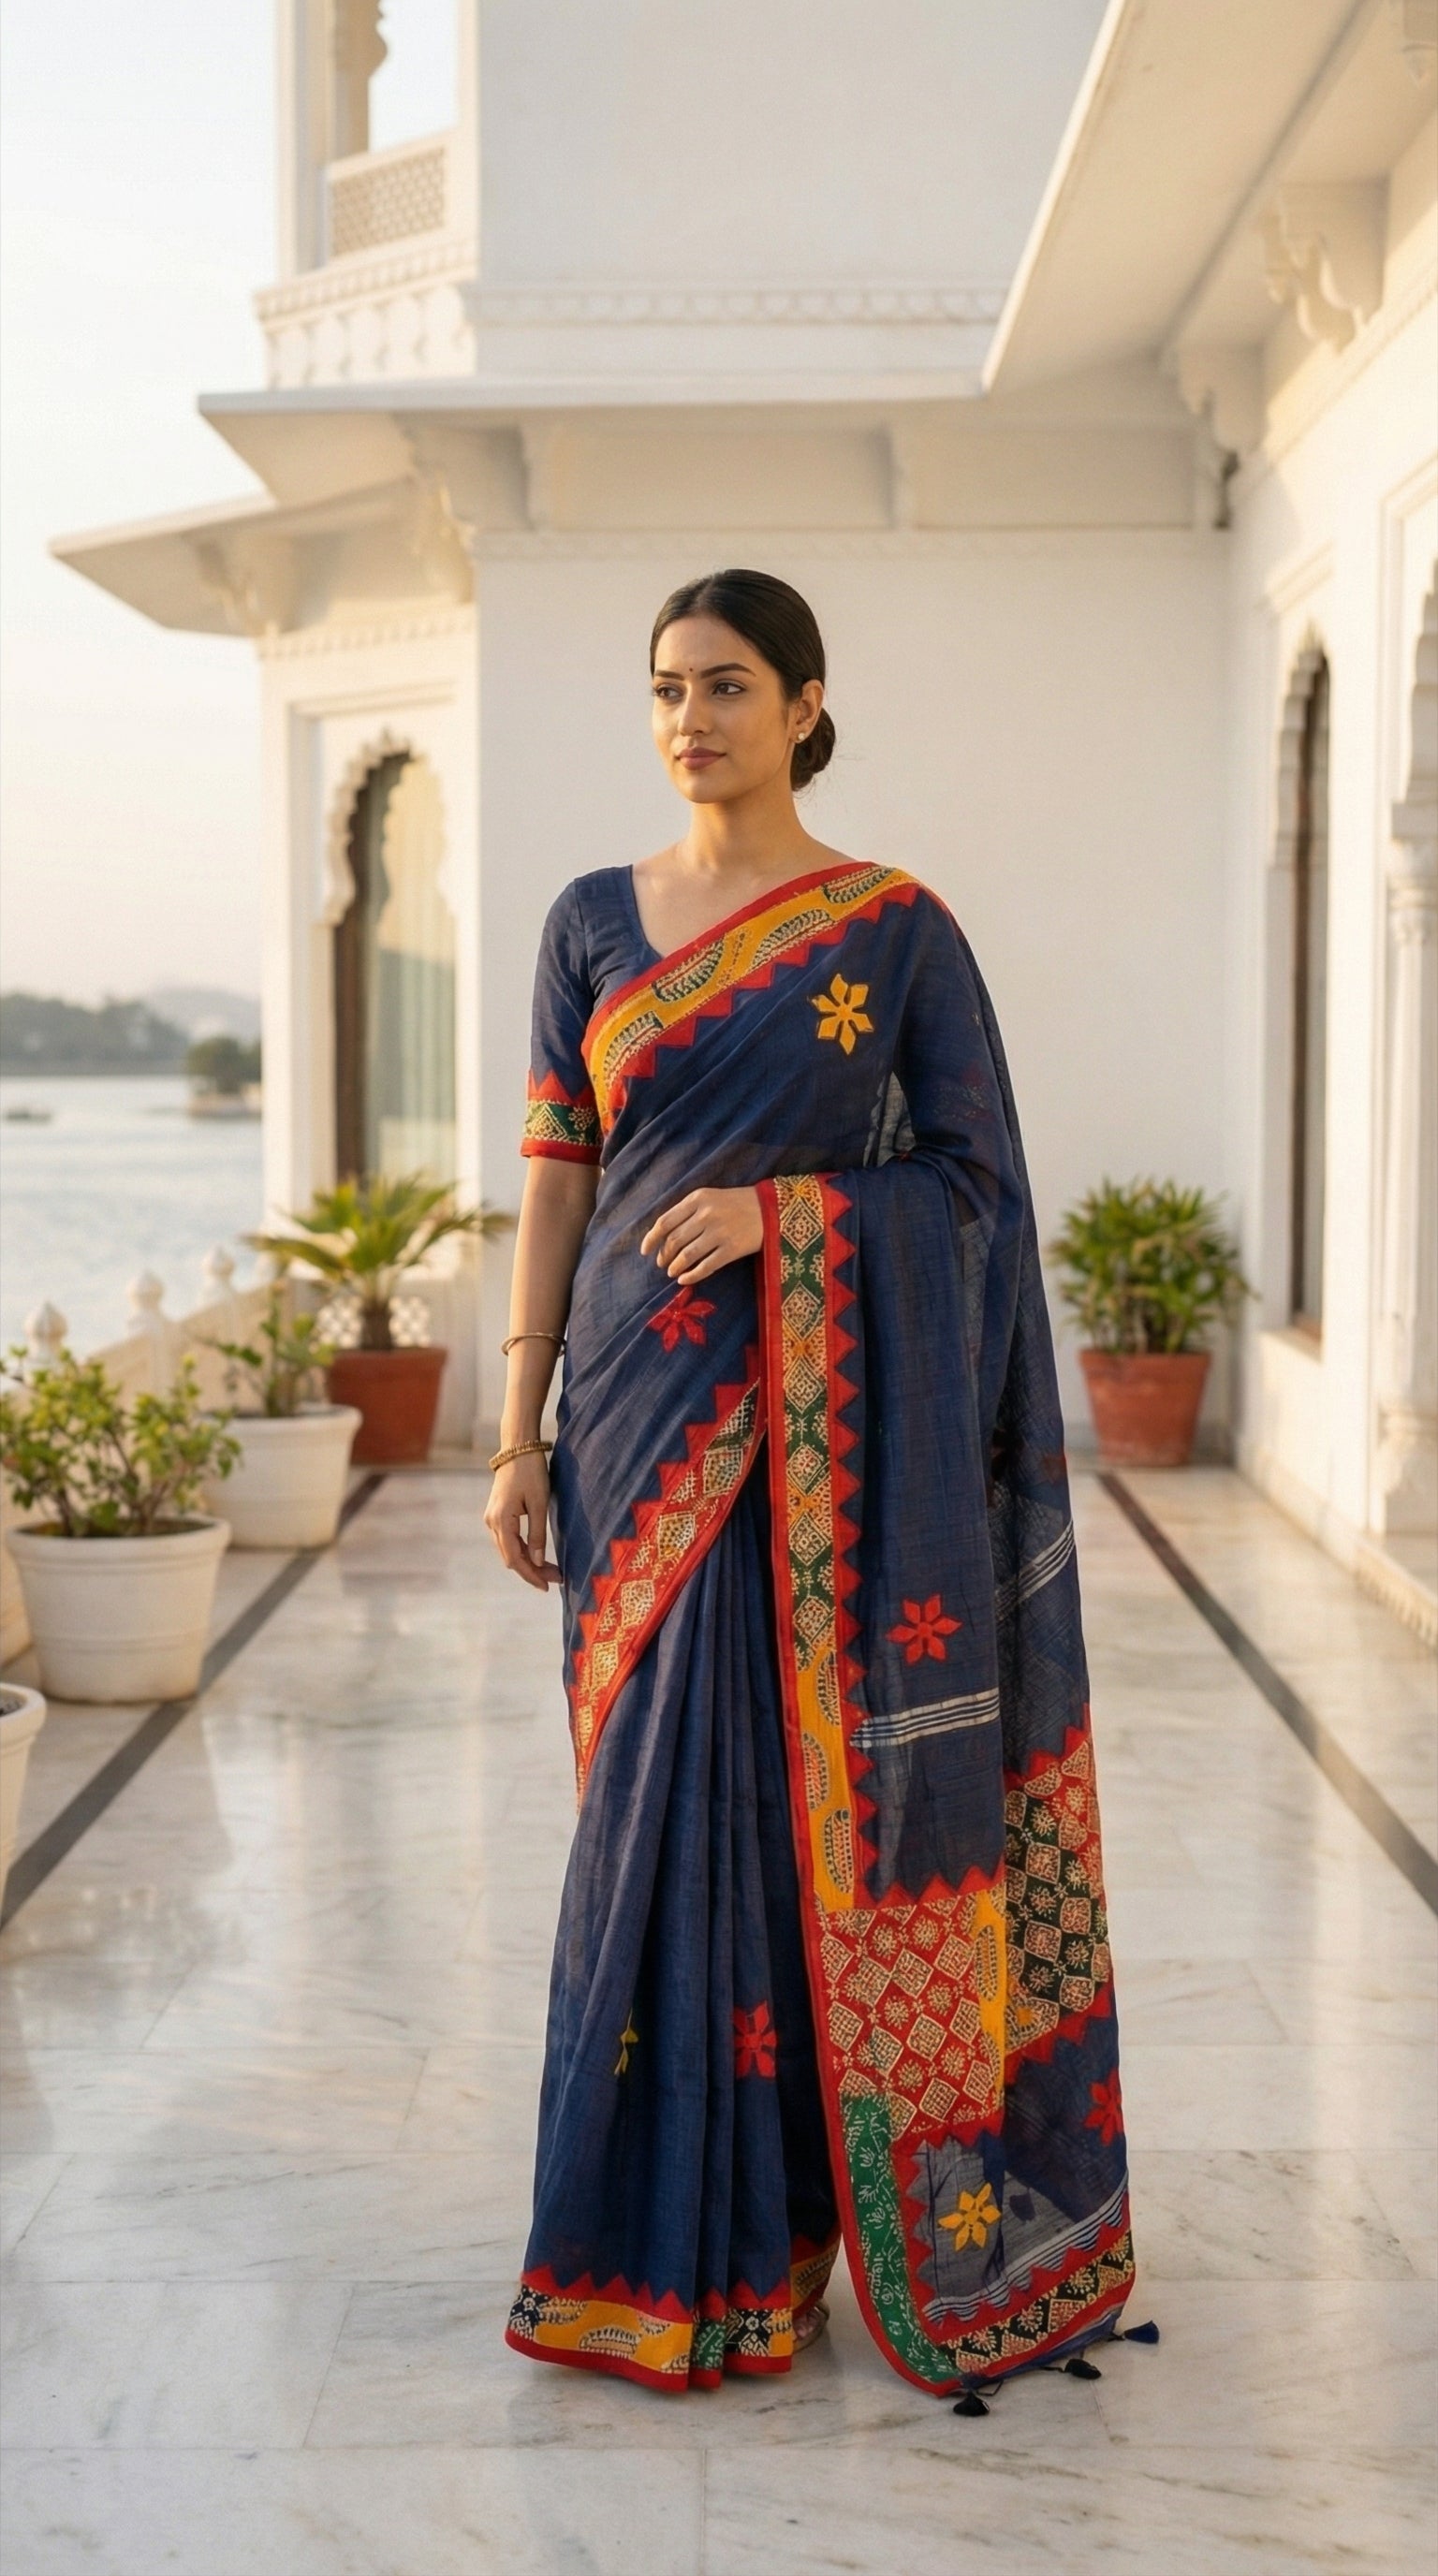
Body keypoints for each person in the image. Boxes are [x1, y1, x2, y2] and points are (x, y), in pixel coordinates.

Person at [490, 568, 1135, 2397]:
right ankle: (640, 2242)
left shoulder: (894, 930)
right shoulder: (588, 922)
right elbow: (556, 1180)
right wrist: (518, 1423)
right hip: (630, 1422)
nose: (690, 717)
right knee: (645, 1814)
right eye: (666, 687)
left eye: (726, 684)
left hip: (817, 1450)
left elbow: (974, 1190)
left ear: (805, 704)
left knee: (793, 1815)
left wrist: (787, 1218)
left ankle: (776, 2232)